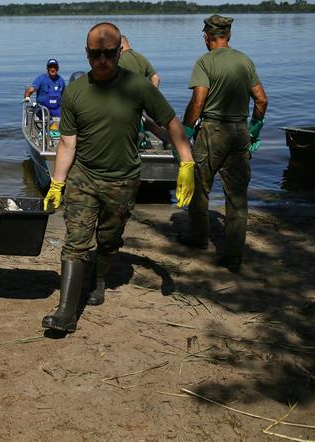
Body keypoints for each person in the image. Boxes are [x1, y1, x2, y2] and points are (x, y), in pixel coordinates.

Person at [41, 22, 195, 333]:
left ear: (119, 52)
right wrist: (57, 182)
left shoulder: (138, 86)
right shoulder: (75, 91)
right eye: (96, 54)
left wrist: (187, 163)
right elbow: (67, 142)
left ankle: (98, 279)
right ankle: (65, 313)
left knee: (109, 240)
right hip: (84, 176)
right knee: (75, 242)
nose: (103, 60)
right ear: (87, 54)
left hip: (123, 180)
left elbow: (171, 123)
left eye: (109, 54)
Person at [180, 14, 268, 273]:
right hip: (240, 132)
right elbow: (261, 100)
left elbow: (198, 101)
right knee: (237, 196)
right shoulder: (245, 61)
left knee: (199, 187)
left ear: (207, 37)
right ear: (228, 36)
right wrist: (254, 128)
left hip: (212, 132)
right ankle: (233, 256)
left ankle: (198, 240)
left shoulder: (205, 62)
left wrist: (185, 130)